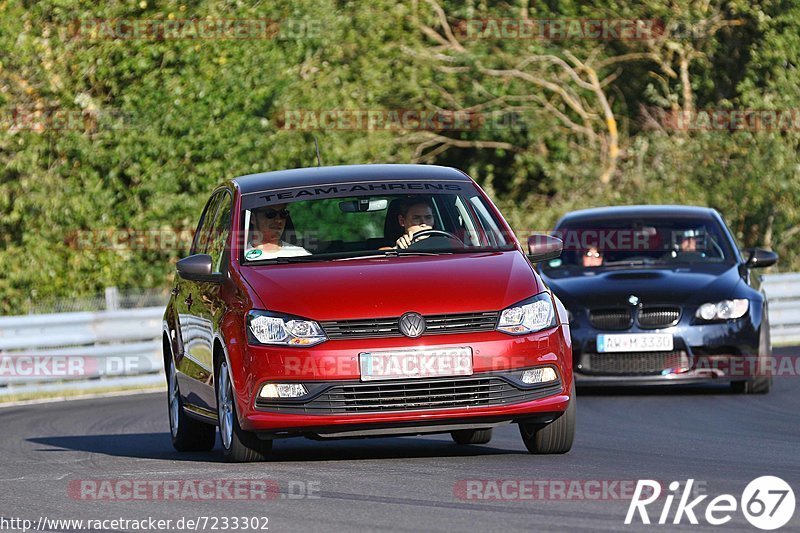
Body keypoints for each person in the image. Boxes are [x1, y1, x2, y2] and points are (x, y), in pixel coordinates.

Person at [244, 204, 310, 260]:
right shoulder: (241, 259)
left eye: (283, 214)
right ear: (253, 218)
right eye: (270, 213)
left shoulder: (300, 255)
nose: (279, 220)